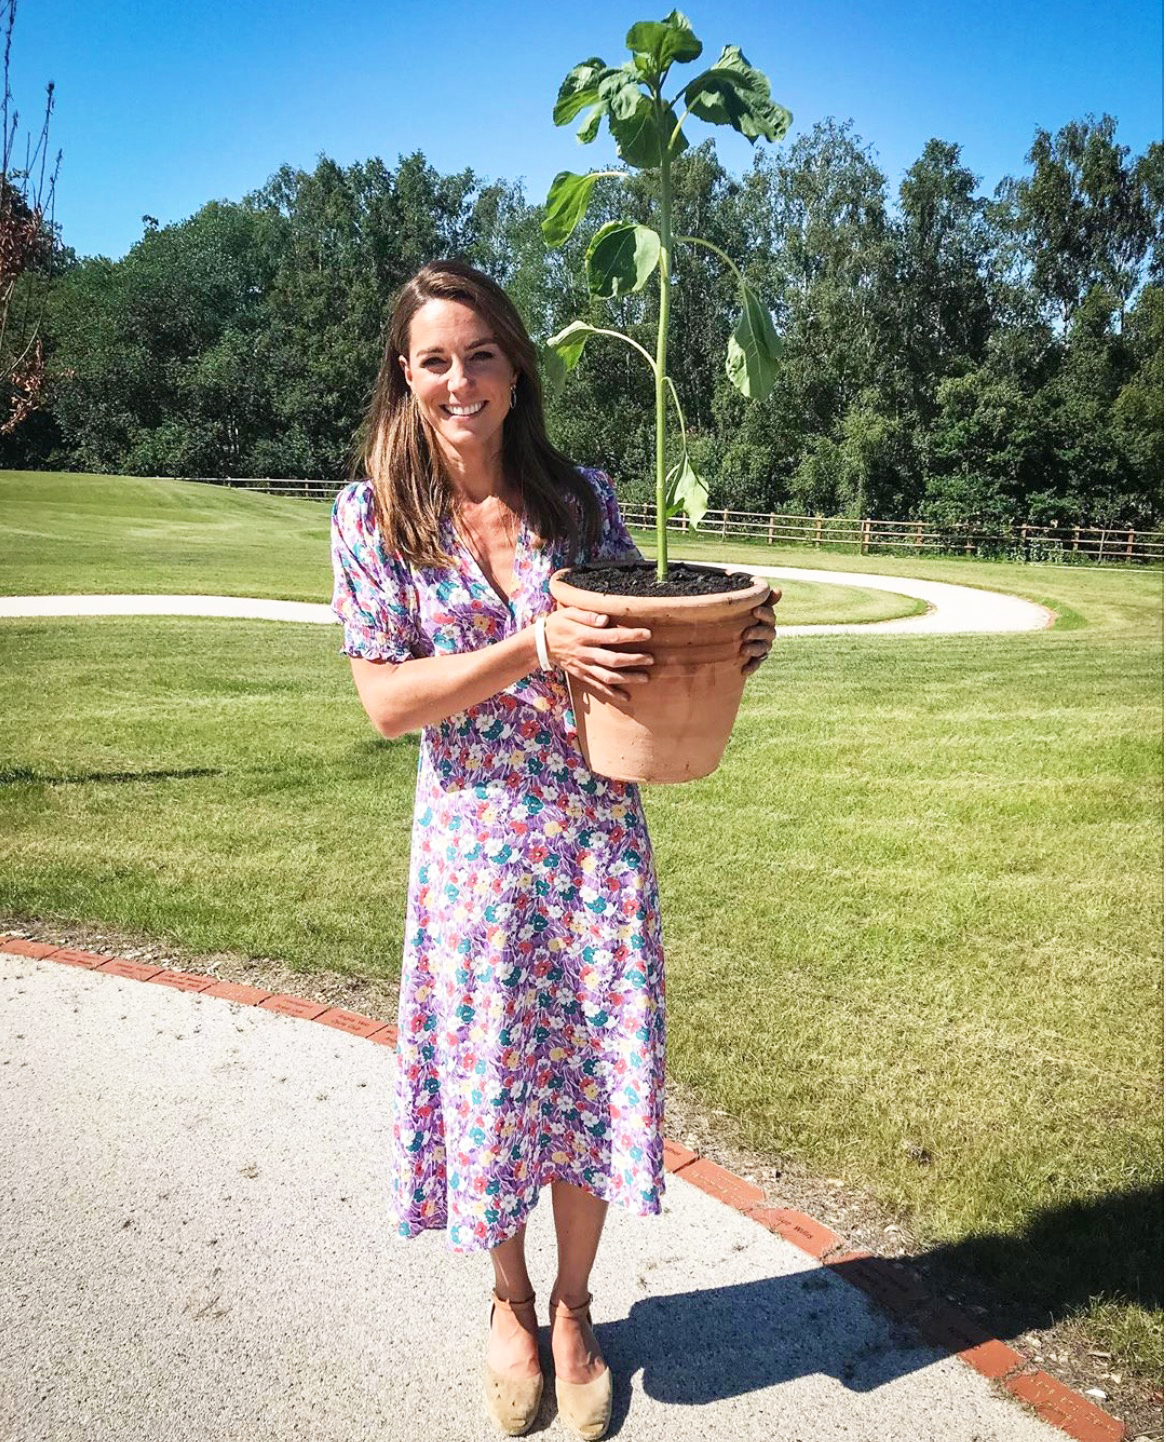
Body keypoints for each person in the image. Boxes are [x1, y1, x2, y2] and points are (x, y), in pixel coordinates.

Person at [329, 259, 778, 1438]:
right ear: (404, 375)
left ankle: (575, 1307)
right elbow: (385, 701)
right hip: (474, 852)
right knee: (487, 1088)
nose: (459, 379)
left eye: (480, 353)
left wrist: (727, 638)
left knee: (585, 1082)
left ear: (515, 365)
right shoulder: (374, 514)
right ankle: (508, 1302)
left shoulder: (579, 503)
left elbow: (640, 640)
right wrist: (532, 646)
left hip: (591, 842)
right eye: (434, 358)